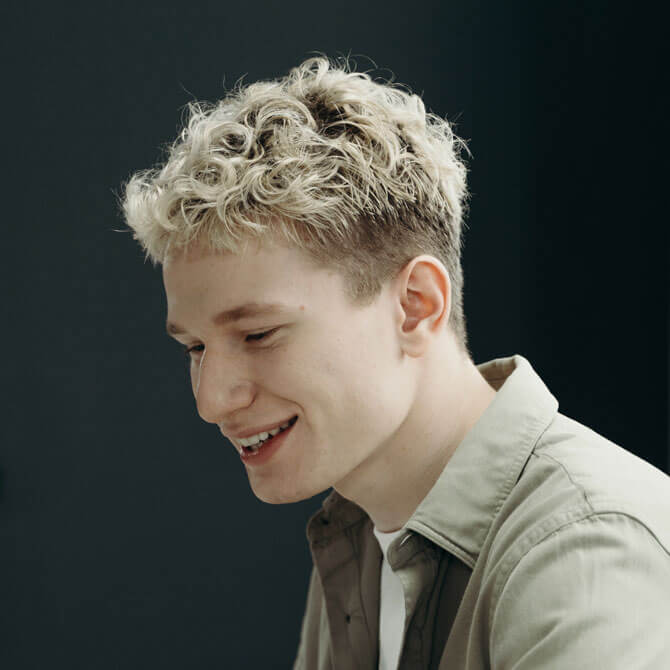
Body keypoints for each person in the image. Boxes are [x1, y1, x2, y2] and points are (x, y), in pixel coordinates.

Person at [120, 56, 670, 669]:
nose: (212, 401)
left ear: (415, 306)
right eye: (195, 348)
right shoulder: (358, 538)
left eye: (258, 334)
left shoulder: (586, 552)